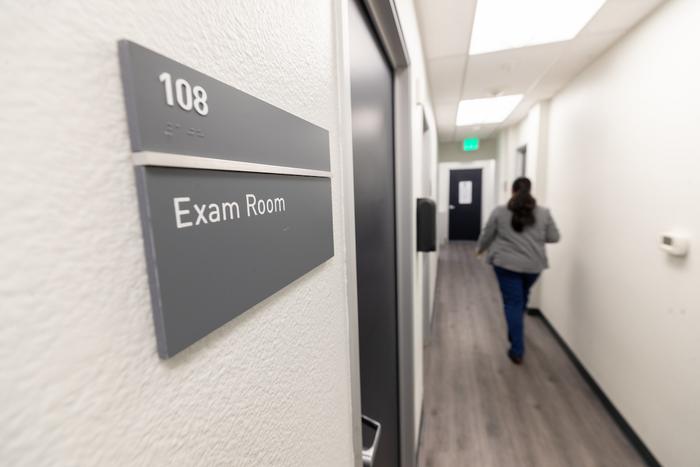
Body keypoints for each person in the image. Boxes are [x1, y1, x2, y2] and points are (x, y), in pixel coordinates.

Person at [476, 177, 560, 365]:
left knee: (513, 303)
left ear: (512, 191)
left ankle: (517, 350)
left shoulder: (500, 211)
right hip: (533, 266)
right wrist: (536, 236)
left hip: (506, 264)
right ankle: (515, 332)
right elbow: (554, 237)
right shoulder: (544, 213)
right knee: (521, 299)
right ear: (530, 191)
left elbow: (487, 233)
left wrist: (480, 249)